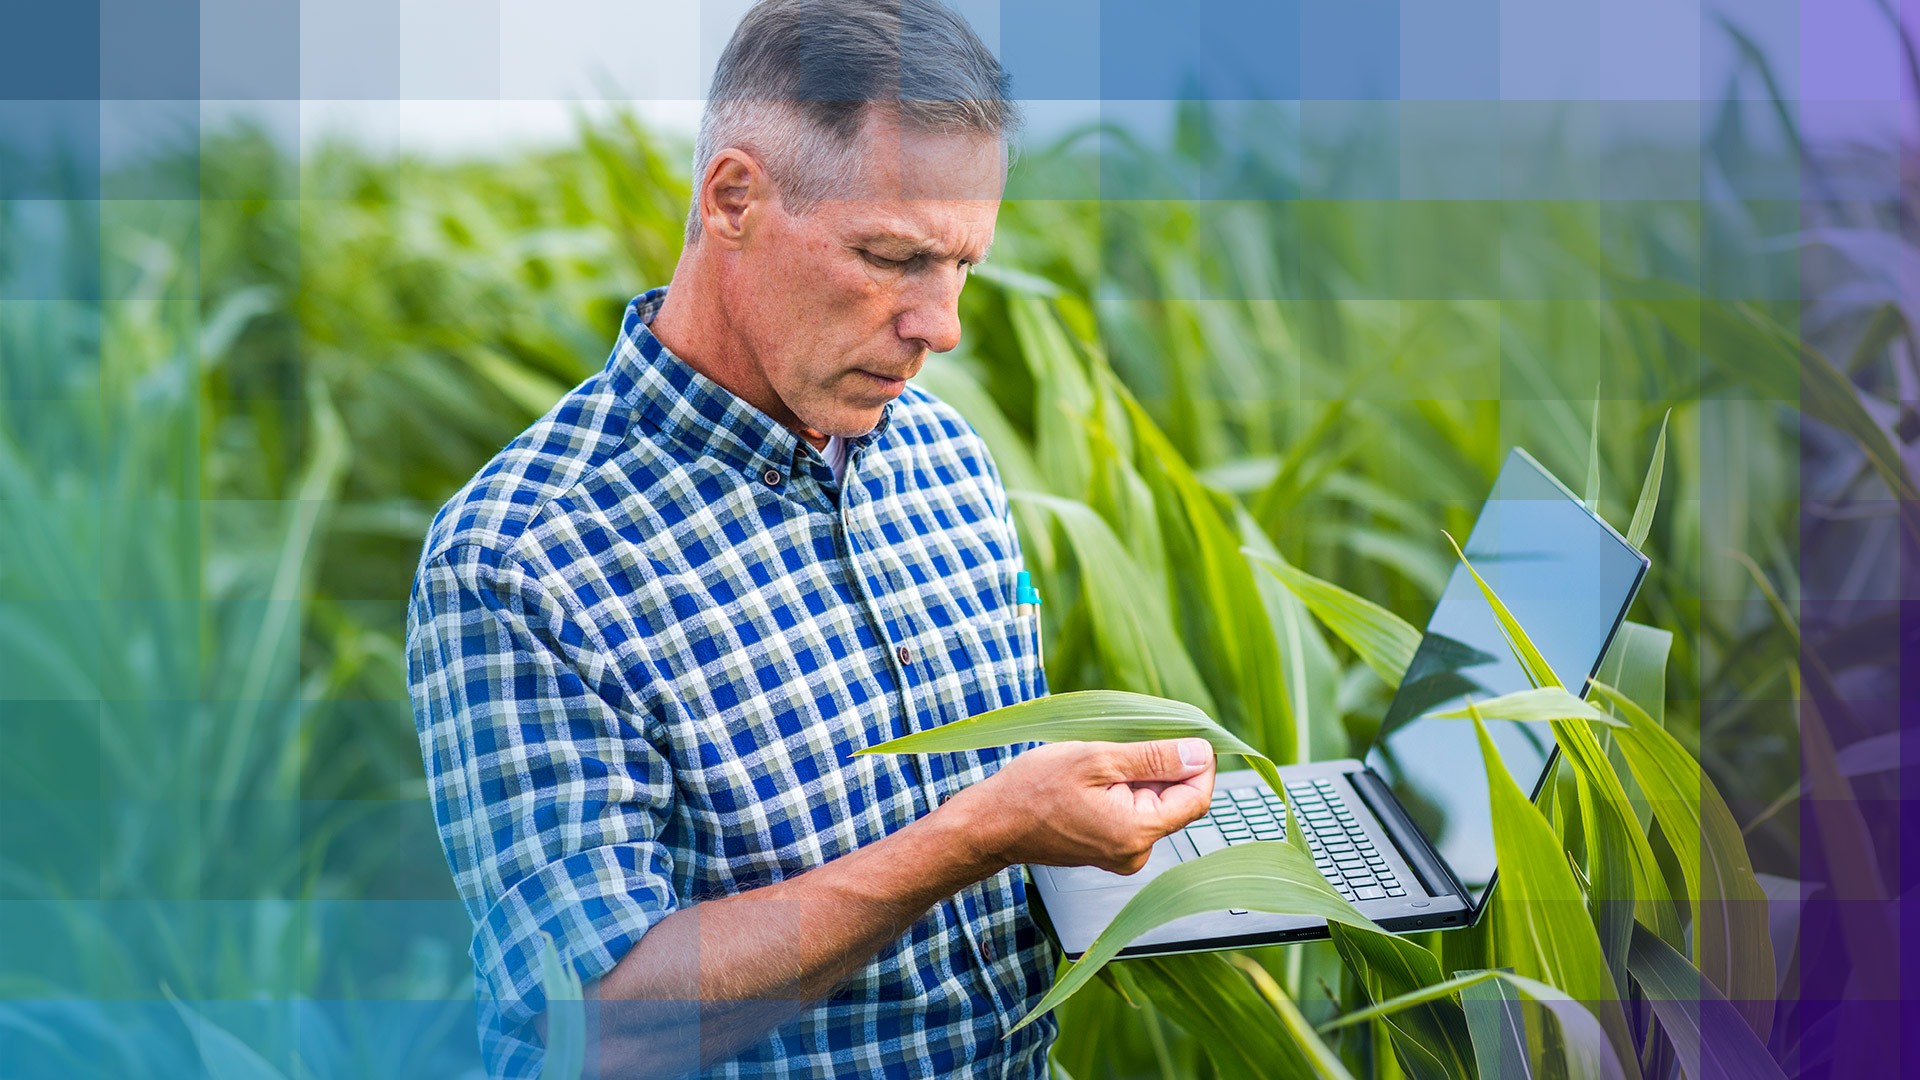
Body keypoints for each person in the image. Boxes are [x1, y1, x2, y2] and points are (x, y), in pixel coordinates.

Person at [405, 1, 1215, 1075]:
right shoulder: (523, 559)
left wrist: (1154, 844)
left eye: (962, 265)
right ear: (733, 198)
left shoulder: (943, 454)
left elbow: (1009, 829)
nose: (944, 325)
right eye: (893, 257)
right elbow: (596, 1019)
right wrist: (978, 834)